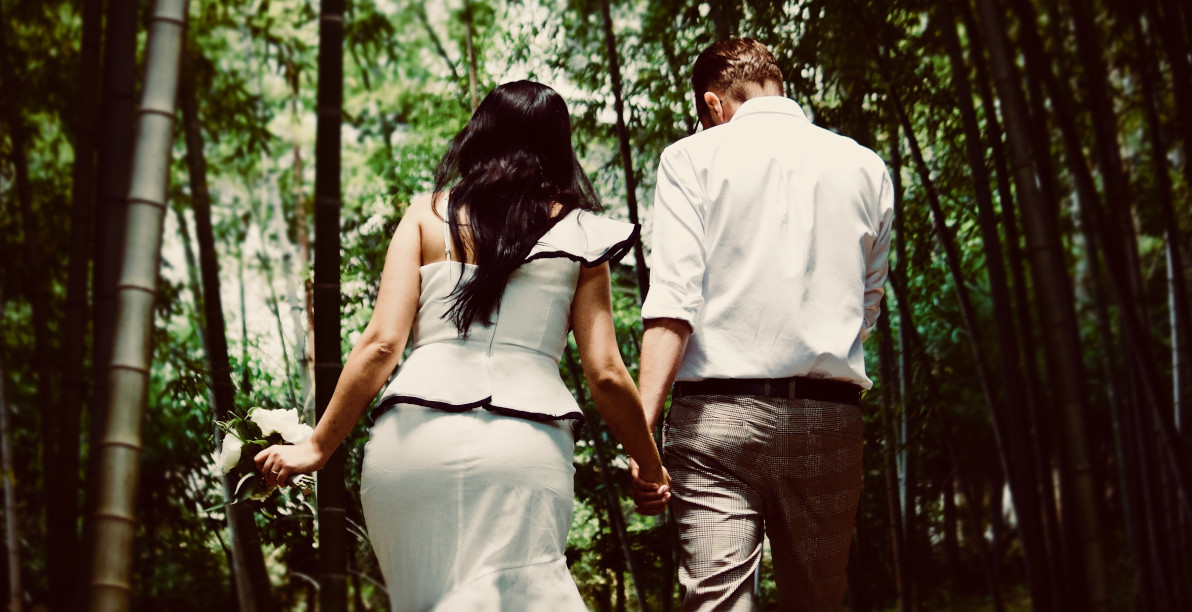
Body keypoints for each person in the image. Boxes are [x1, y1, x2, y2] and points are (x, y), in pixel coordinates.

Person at [254, 80, 670, 610]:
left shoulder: (427, 215)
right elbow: (606, 374)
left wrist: (316, 446)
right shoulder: (584, 237)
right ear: (557, 146)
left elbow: (382, 344)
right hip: (524, 449)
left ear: (481, 134)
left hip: (410, 450)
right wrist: (650, 467)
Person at [630, 39, 894, 610]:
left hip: (713, 425)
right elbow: (865, 307)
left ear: (712, 104)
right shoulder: (865, 166)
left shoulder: (691, 158)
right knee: (817, 602)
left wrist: (641, 430)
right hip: (828, 415)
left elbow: (673, 302)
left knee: (716, 605)